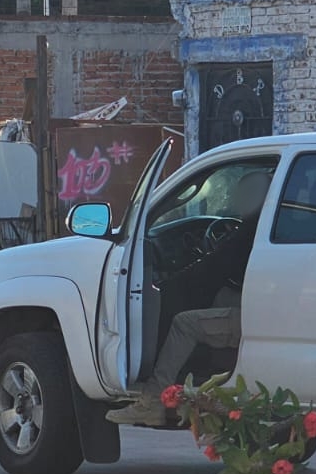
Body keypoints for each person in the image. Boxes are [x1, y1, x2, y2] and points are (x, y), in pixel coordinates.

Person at [107, 170, 271, 426]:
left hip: (259, 315)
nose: (238, 200)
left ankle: (152, 401)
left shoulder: (250, 231)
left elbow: (210, 268)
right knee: (218, 297)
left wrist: (167, 287)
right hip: (263, 305)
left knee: (184, 322)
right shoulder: (264, 226)